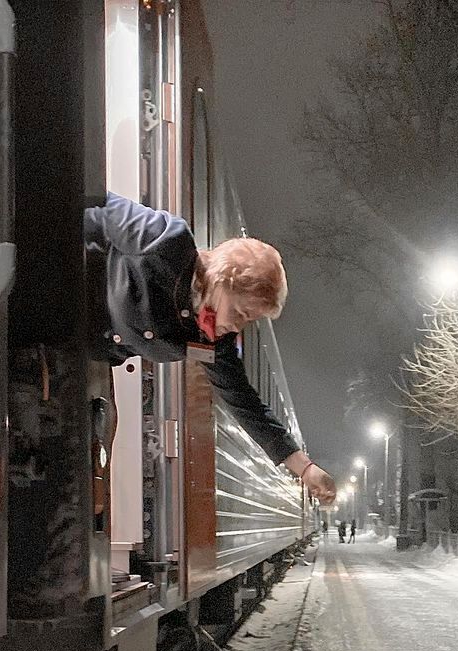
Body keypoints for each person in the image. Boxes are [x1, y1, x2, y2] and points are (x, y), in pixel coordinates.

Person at [84, 192, 337, 504]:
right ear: (225, 280)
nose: (237, 326)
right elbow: (96, 203)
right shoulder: (167, 242)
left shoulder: (211, 341)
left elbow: (245, 403)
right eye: (242, 313)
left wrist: (306, 468)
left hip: (69, 351)